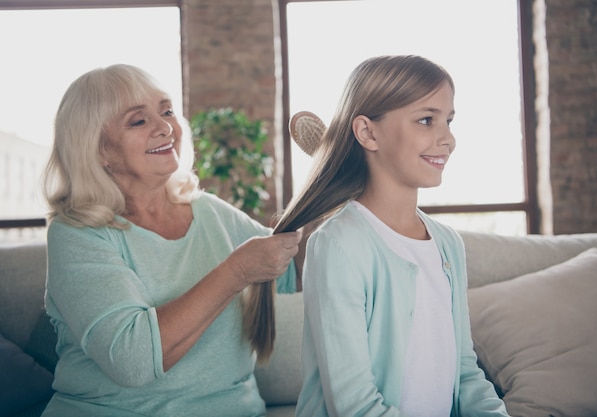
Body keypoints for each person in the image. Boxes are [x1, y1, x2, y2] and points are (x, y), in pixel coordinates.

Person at [41, 64, 302, 417]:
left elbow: (290, 269)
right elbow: (133, 360)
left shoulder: (209, 212)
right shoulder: (77, 233)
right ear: (99, 149)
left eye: (166, 111)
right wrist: (236, 271)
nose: (165, 127)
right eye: (138, 121)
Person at [274, 55, 509, 416]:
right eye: (427, 120)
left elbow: (464, 371)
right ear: (368, 133)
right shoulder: (338, 246)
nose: (447, 139)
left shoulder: (448, 244)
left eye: (449, 121)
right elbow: (354, 405)